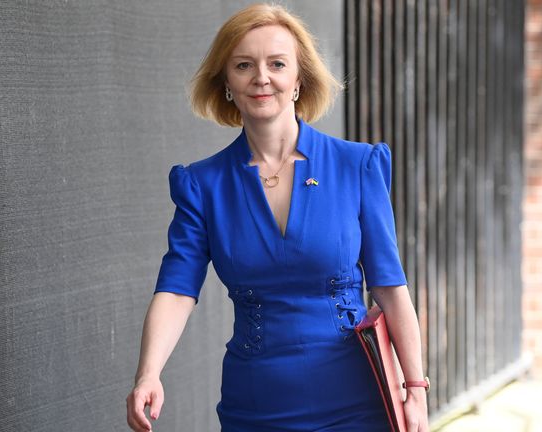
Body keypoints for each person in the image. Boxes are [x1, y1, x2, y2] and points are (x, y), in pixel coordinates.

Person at [126, 4, 429, 432]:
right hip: (255, 405)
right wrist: (148, 373)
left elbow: (389, 287)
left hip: (356, 400)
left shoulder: (356, 166)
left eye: (277, 63)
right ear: (226, 82)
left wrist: (414, 388)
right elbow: (177, 289)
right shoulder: (202, 185)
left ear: (299, 78)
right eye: (244, 65)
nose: (261, 77)